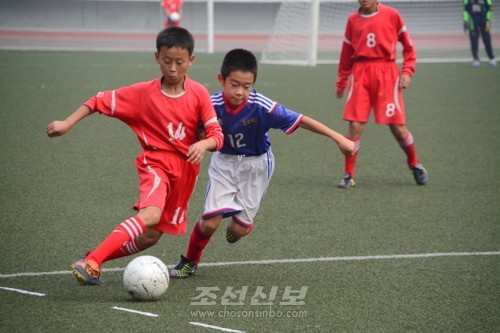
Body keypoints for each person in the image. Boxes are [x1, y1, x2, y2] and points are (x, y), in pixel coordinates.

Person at [46, 27, 223, 286]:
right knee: (150, 216)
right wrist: (67, 123)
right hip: (156, 163)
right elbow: (98, 100)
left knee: (150, 237)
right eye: (166, 61)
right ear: (156, 57)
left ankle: (95, 259)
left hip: (186, 172)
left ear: (191, 61)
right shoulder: (143, 94)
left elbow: (217, 135)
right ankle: (92, 261)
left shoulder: (199, 94)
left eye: (179, 62)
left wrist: (204, 144)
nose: (173, 68)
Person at [169, 48, 355, 278]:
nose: (239, 92)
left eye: (246, 87)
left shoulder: (261, 107)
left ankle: (240, 226)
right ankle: (189, 261)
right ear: (221, 80)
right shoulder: (210, 104)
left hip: (256, 166)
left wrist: (339, 138)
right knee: (209, 224)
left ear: (253, 84)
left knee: (238, 230)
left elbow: (302, 120)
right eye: (234, 84)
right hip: (224, 164)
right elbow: (188, 125)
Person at [335, 0, 428, 189]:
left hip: (387, 74)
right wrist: (342, 81)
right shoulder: (353, 20)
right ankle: (348, 174)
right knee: (355, 126)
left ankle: (414, 163)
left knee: (398, 128)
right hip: (360, 73)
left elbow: (409, 48)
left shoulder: (392, 14)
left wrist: (407, 71)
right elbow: (346, 53)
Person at [463, 0, 497, 67]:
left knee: (487, 40)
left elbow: (489, 10)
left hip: (484, 23)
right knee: (474, 41)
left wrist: (488, 20)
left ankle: (491, 58)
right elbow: (465, 10)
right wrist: (465, 20)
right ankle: (476, 59)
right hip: (473, 24)